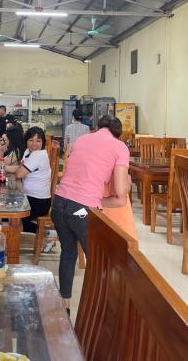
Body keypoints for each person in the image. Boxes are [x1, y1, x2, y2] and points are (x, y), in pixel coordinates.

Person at [51, 116, 131, 314]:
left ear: (97, 128)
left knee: (68, 254)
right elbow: (121, 195)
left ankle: (65, 306)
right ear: (118, 135)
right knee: (98, 261)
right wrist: (127, 181)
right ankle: (100, 311)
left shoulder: (83, 139)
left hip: (59, 204)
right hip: (81, 211)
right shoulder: (120, 147)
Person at [15, 127, 51, 233]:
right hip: (29, 196)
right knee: (7, 214)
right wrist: (3, 166)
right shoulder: (28, 152)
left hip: (39, 201)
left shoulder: (38, 155)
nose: (34, 144)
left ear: (43, 142)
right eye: (31, 140)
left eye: (38, 141)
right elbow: (19, 168)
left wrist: (16, 171)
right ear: (26, 140)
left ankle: (46, 234)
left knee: (13, 217)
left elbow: (19, 173)